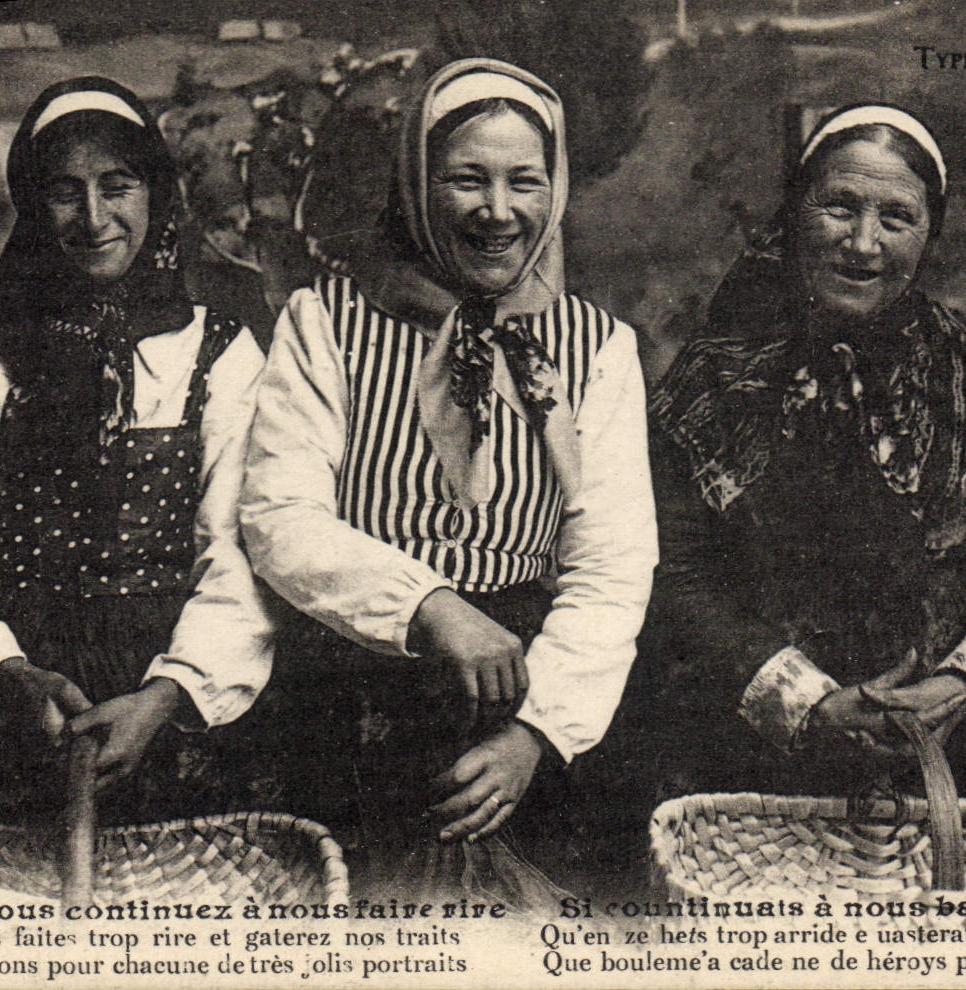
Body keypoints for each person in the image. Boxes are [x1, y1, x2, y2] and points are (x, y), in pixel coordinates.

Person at [613, 104, 966, 836]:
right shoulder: (713, 375)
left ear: (930, 232)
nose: (863, 243)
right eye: (840, 207)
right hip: (753, 716)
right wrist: (807, 702)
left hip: (956, 719)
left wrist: (965, 684)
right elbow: (676, 571)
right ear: (796, 214)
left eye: (897, 218)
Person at [238, 58, 656, 896]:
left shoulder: (597, 348)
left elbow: (612, 564)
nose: (498, 212)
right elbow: (280, 515)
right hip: (355, 695)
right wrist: (429, 606)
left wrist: (538, 733)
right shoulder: (327, 321)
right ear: (417, 184)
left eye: (523, 182)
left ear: (555, 191)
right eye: (467, 179)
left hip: (527, 701)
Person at [0, 77, 274, 822]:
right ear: (30, 205)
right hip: (6, 706)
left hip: (169, 712)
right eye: (64, 192)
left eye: (118, 186)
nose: (94, 218)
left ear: (155, 194)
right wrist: (0, 673)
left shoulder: (220, 354)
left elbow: (238, 554)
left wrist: (171, 691)